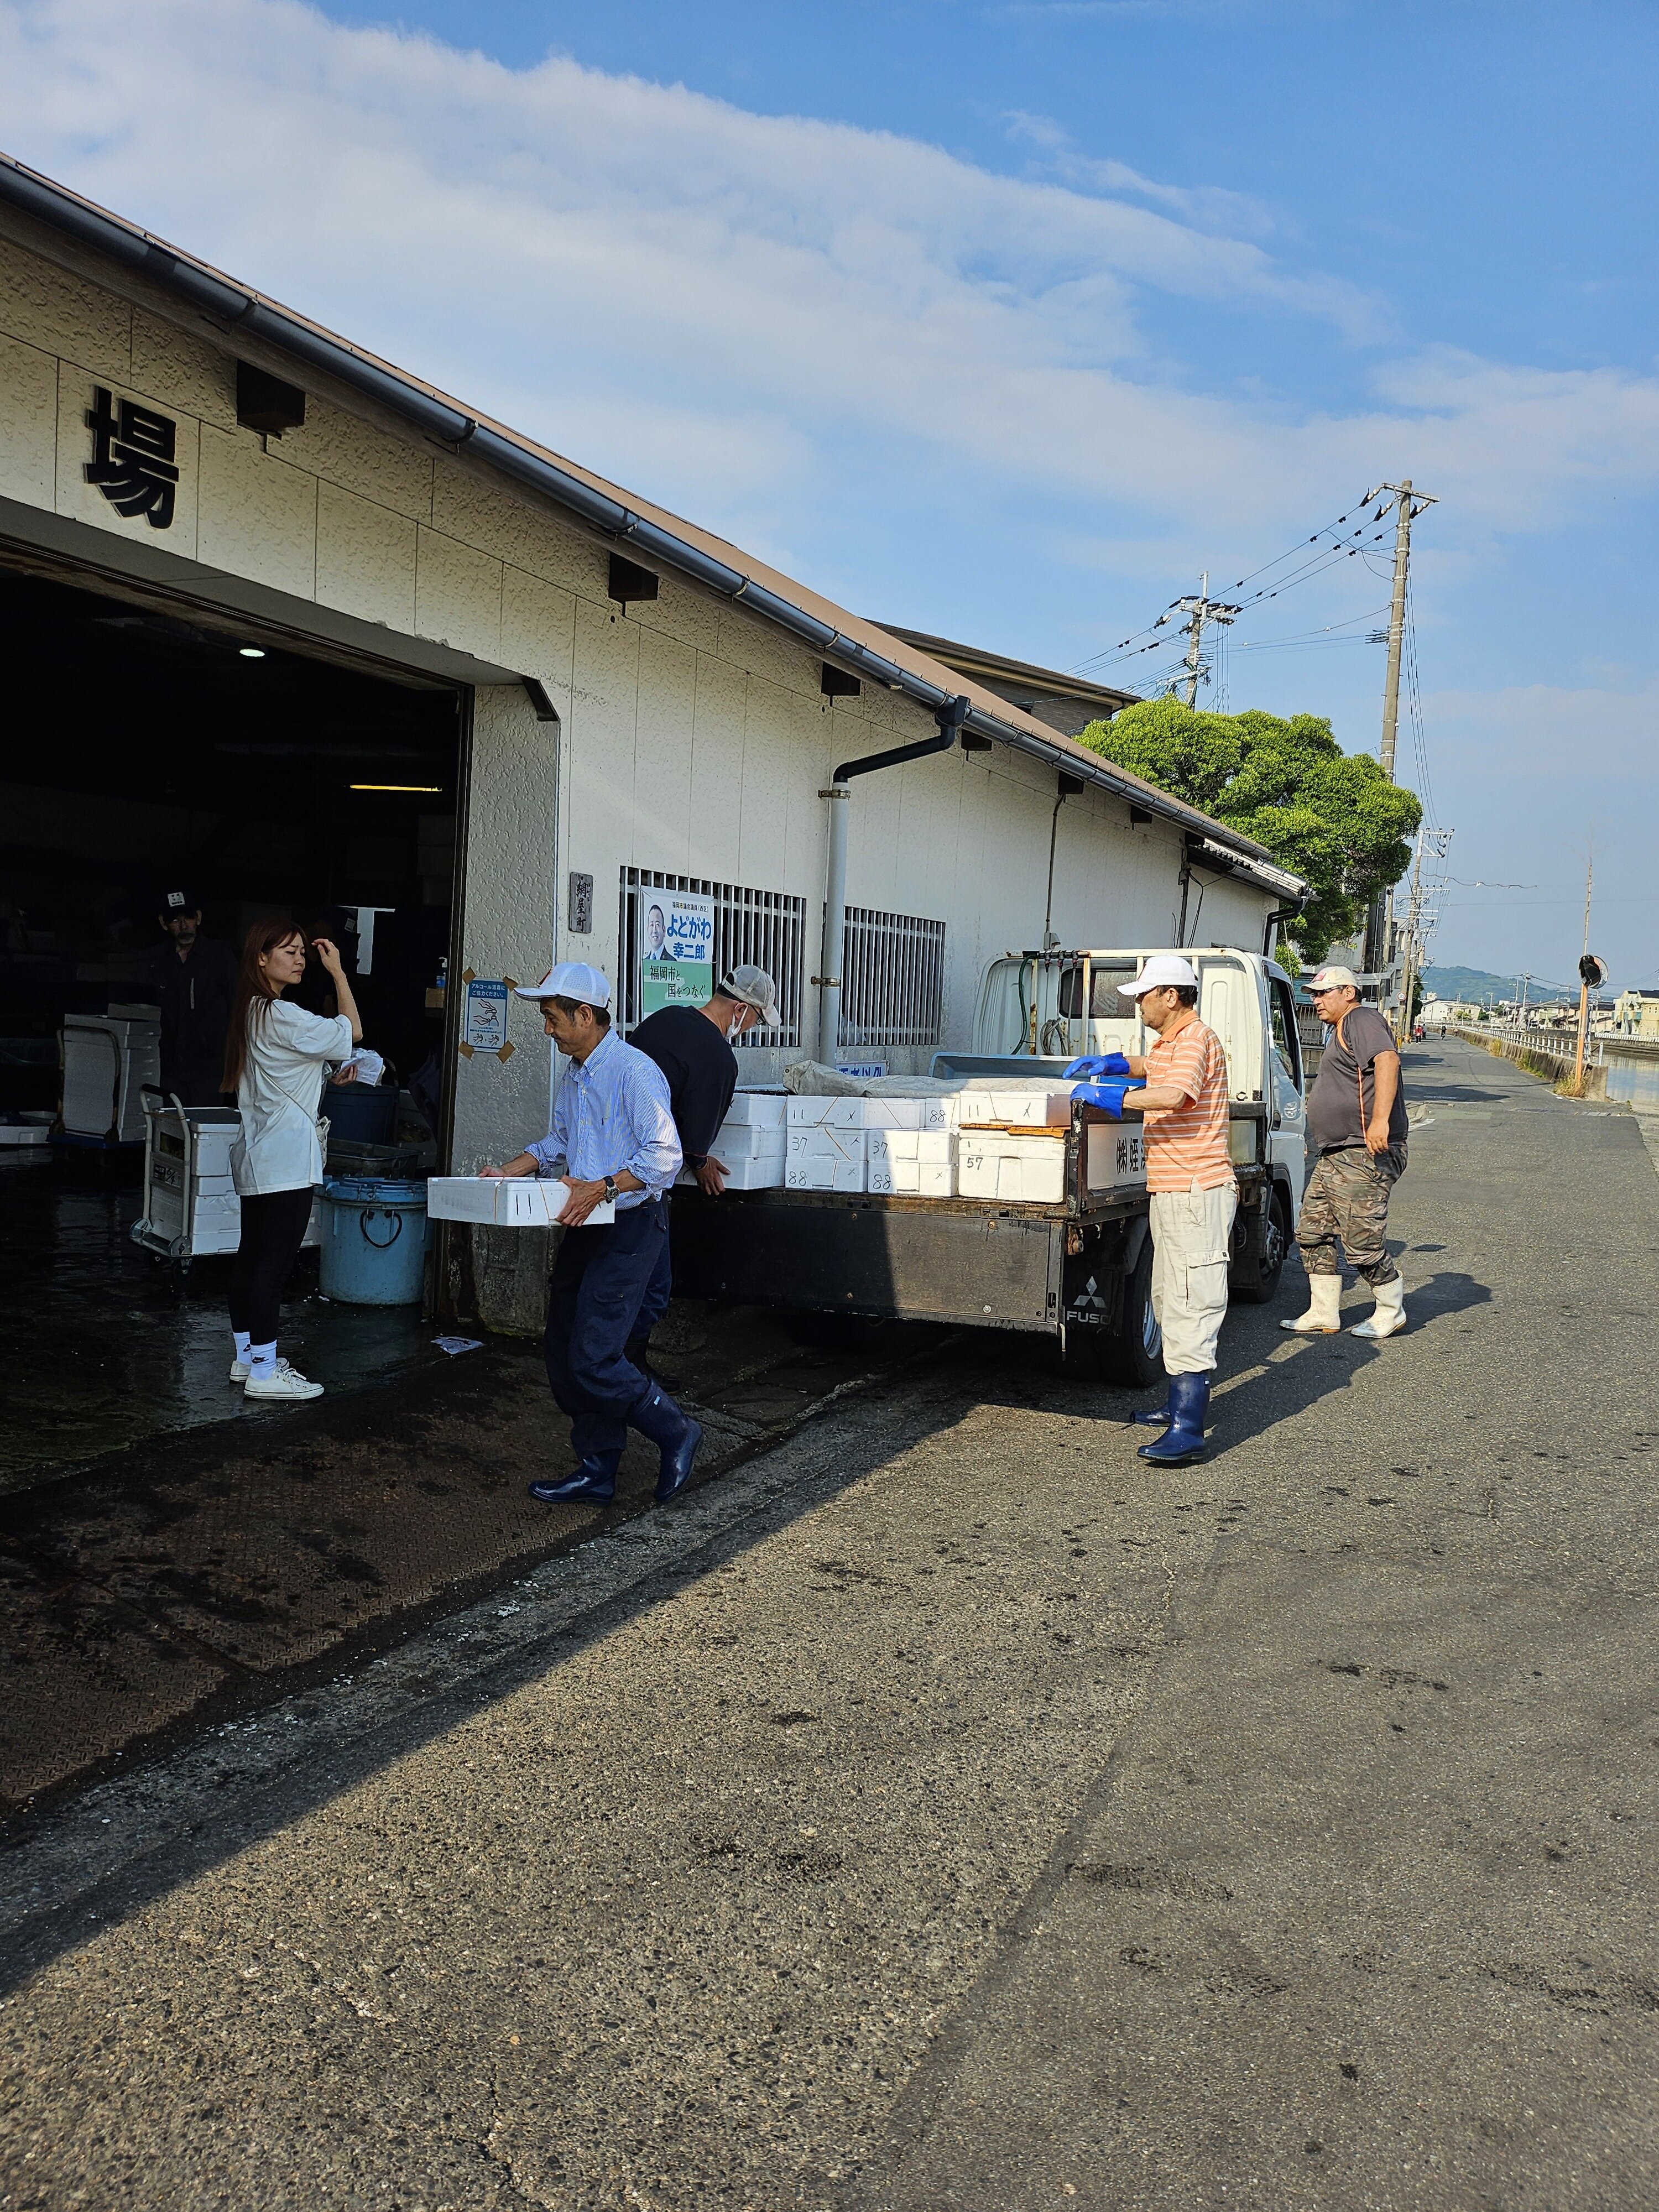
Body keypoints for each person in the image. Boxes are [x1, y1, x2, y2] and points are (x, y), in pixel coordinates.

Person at [484, 963, 698, 1509]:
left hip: (628, 1222)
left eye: (553, 1019)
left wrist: (602, 1185)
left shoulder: (632, 1071)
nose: (547, 1029)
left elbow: (664, 1157)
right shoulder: (577, 1073)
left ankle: (675, 1430)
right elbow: (558, 1142)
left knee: (596, 1353)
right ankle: (597, 1468)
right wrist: (507, 1171)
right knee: (563, 1344)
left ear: (585, 1015)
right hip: (586, 1218)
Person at [1070, 953, 1236, 1466]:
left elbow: (1177, 1093)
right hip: (1174, 1191)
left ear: (1171, 995)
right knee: (1167, 1299)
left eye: (1143, 995)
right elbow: (1155, 1068)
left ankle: (1189, 1428)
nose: (1138, 1004)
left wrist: (1115, 1098)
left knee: (1191, 1301)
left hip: (1195, 1191)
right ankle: (1175, 1406)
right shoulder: (1172, 1042)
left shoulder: (1196, 1040)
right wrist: (1119, 1064)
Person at [223, 921, 361, 1401]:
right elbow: (353, 1031)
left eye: (304, 952)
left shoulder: (253, 1011)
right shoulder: (281, 1013)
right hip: (285, 1159)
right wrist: (339, 974)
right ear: (261, 959)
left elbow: (290, 1070)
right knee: (272, 1267)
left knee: (252, 1260)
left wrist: (324, 1075)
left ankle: (248, 1359)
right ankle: (264, 1373)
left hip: (261, 1152)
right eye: (289, 951)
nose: (301, 959)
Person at [626, 964, 781, 1382]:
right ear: (740, 1009)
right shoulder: (718, 1058)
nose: (751, 1029)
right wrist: (701, 1162)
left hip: (604, 1162)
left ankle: (616, 1363)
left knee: (611, 1276)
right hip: (643, 1182)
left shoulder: (664, 1018)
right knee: (653, 1287)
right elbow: (694, 1140)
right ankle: (628, 1369)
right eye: (755, 1020)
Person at [1281, 965, 1408, 1341]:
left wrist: (1381, 1120)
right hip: (1337, 1152)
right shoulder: (1338, 1029)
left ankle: (1391, 1309)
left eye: (1323, 993)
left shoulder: (1361, 1019)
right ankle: (1323, 1311)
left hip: (1363, 1150)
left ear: (1348, 993)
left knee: (1361, 1238)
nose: (1315, 1000)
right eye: (1314, 994)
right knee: (1312, 1231)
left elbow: (1388, 1060)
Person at [142, 888, 237, 1105]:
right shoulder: (157, 960)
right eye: (175, 920)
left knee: (204, 1128)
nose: (184, 926)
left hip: (210, 1065)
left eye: (189, 918)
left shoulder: (219, 956)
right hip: (170, 1065)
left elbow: (238, 1006)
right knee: (172, 1127)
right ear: (163, 923)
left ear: (199, 918)